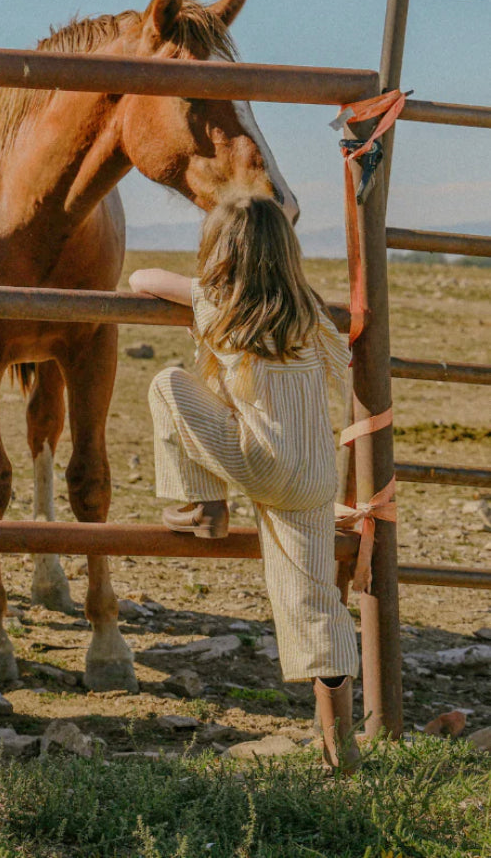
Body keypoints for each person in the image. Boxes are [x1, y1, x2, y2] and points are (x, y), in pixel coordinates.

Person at [129, 195, 361, 774]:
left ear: (221, 252)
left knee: (167, 384)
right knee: (315, 606)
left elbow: (141, 278)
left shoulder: (221, 305)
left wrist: (198, 280)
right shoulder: (308, 311)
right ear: (287, 252)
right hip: (314, 479)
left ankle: (203, 506)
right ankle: (342, 751)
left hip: (259, 463)